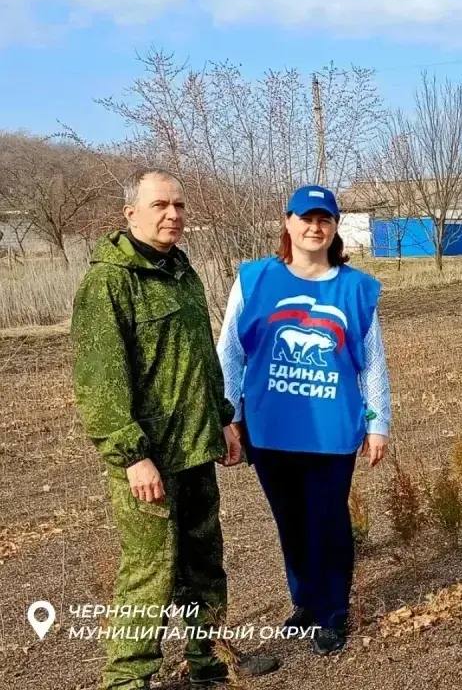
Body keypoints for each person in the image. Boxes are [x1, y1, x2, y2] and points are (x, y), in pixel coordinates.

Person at [71, 168, 280, 689]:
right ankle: (127, 679)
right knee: (150, 575)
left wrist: (224, 420)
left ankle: (209, 660)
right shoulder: (109, 283)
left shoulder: (181, 270)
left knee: (204, 564)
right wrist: (131, 455)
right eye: (161, 204)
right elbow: (100, 382)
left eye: (180, 206)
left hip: (195, 447)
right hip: (149, 460)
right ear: (131, 213)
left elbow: (202, 360)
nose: (173, 215)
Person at [216, 183, 390, 656]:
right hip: (271, 429)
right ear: (288, 222)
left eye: (325, 219)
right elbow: (229, 353)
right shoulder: (254, 279)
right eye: (306, 217)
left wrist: (378, 423)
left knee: (328, 522)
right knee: (290, 522)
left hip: (332, 431)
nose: (315, 227)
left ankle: (333, 612)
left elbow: (372, 362)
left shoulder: (356, 288)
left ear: (334, 228)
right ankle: (306, 604)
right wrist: (228, 416)